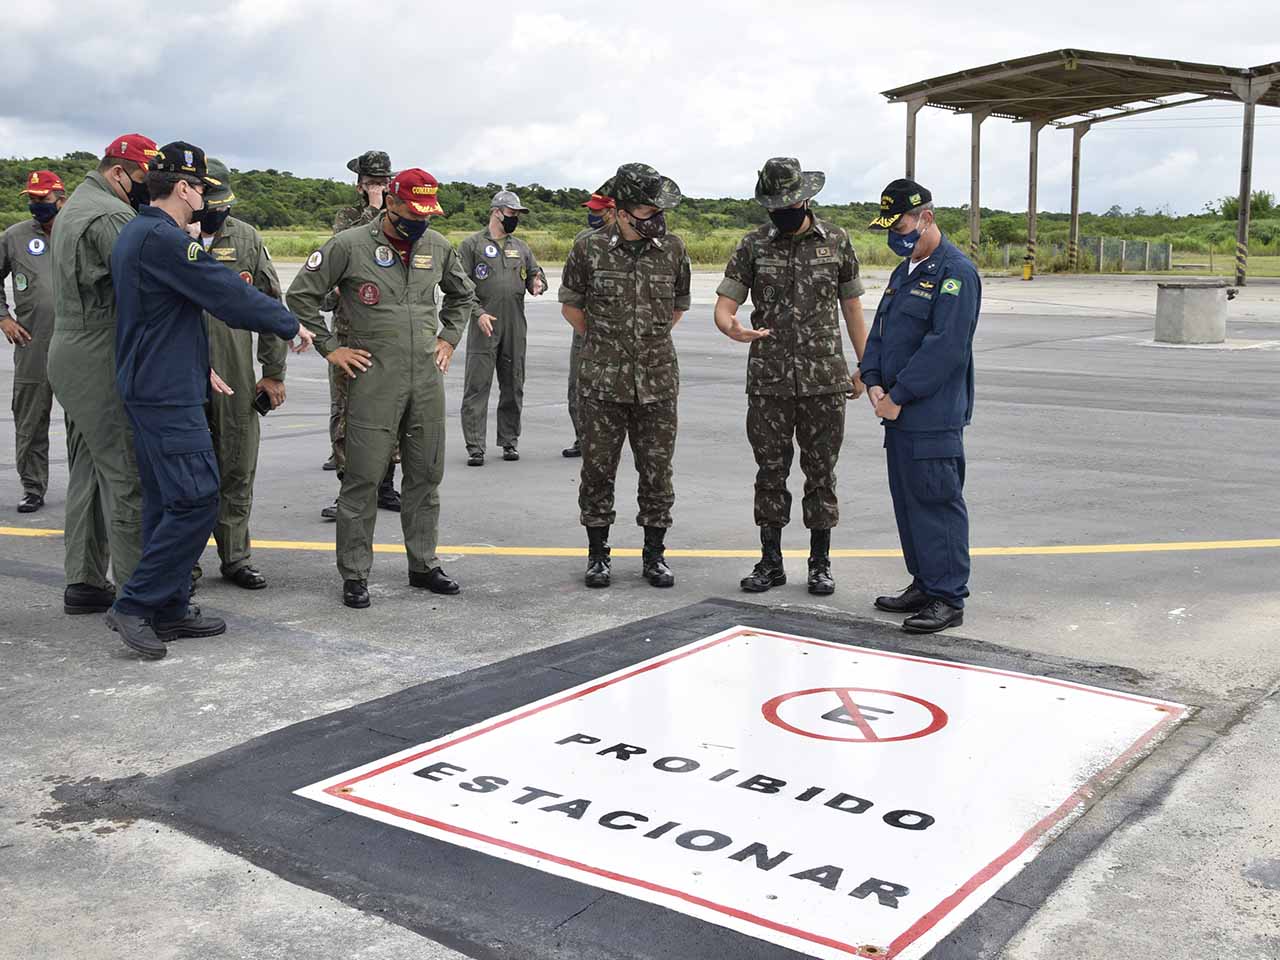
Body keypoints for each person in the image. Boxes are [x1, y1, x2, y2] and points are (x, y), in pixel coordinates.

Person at [104, 141, 312, 660]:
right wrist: (289, 325)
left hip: (156, 384)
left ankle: (169, 607)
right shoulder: (164, 239)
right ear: (183, 188)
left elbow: (166, 317)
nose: (205, 197)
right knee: (199, 497)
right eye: (200, 187)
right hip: (166, 394)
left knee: (165, 500)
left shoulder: (139, 232)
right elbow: (224, 292)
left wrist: (201, 368)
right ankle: (135, 603)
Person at [286, 167, 475, 609]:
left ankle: (423, 564)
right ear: (391, 202)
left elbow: (462, 295)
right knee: (363, 480)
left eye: (429, 211)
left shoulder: (437, 245)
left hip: (425, 379)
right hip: (372, 379)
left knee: (426, 476)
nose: (421, 219)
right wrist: (331, 348)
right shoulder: (349, 245)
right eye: (414, 210)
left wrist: (449, 338)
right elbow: (301, 297)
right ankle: (354, 573)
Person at [713, 158, 867, 596]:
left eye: (789, 203)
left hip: (824, 379)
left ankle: (820, 563)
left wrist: (865, 365)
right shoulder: (754, 244)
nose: (782, 211)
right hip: (769, 380)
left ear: (806, 199)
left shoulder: (836, 240)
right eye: (773, 205)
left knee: (821, 473)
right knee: (770, 472)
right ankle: (771, 561)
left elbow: (851, 307)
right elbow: (726, 303)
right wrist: (731, 326)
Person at [558, 163, 689, 589]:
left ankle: (655, 556)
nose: (657, 217)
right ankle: (598, 554)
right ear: (625, 210)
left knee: (657, 472)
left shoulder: (673, 249)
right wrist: (608, 345)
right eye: (649, 209)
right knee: (597, 471)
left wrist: (643, 344)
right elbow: (572, 308)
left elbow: (676, 308)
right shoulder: (588, 249)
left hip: (656, 383)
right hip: (601, 382)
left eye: (659, 209)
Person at [861, 178, 981, 634]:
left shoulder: (955, 273)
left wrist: (899, 395)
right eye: (890, 226)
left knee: (936, 502)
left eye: (903, 223)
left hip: (930, 415)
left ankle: (948, 597)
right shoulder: (905, 271)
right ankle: (925, 582)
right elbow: (881, 332)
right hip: (896, 412)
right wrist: (872, 380)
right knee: (909, 504)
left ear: (926, 217)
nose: (897, 234)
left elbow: (945, 348)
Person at [47, 133, 158, 616]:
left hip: (70, 349)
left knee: (88, 470)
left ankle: (86, 581)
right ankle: (140, 598)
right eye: (142, 179)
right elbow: (147, 280)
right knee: (126, 473)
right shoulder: (112, 216)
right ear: (119, 173)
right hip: (99, 350)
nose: (147, 188)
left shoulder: (74, 206)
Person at [189, 158, 289, 590]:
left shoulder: (246, 237)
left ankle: (236, 556)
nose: (220, 213)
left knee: (237, 466)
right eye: (213, 205)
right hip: (182, 373)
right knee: (188, 473)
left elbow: (270, 305)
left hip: (235, 375)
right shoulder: (167, 235)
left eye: (225, 206)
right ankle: (184, 563)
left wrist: (273, 372)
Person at [321, 149, 401, 518]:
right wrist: (374, 207)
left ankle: (385, 484)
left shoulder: (399, 218)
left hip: (386, 332)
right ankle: (349, 491)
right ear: (359, 185)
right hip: (349, 333)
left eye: (383, 183)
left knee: (391, 410)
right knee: (346, 413)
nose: (377, 188)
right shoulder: (348, 218)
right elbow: (358, 249)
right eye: (371, 183)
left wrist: (386, 207)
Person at [459, 190, 544, 466]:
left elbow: (535, 271)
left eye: (517, 214)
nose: (515, 218)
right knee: (478, 385)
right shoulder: (472, 245)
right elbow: (460, 287)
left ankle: (509, 441)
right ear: (496, 212)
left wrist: (537, 282)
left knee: (513, 383)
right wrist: (478, 313)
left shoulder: (520, 247)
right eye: (511, 213)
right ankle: (475, 446)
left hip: (514, 323)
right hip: (485, 323)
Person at [1, 170, 66, 513]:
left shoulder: (78, 231)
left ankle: (95, 486)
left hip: (77, 344)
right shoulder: (14, 236)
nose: (35, 204)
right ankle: (32, 487)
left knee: (86, 422)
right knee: (30, 419)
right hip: (33, 343)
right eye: (31, 198)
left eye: (42, 199)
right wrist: (3, 317)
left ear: (61, 199)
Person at [563, 192, 615, 459]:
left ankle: (606, 441)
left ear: (612, 211)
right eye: (591, 211)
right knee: (577, 387)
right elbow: (571, 289)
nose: (592, 215)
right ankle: (582, 438)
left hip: (616, 329)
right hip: (585, 325)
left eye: (598, 211)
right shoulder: (583, 240)